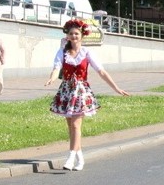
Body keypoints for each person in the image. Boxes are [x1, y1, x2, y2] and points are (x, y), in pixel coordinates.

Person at [45, 19, 130, 171]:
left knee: (76, 125)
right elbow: (56, 67)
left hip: (81, 92)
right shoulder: (62, 52)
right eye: (71, 33)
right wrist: (51, 78)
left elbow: (101, 71)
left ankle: (70, 157)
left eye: (76, 33)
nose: (74, 36)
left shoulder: (87, 52)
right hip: (66, 91)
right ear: (68, 36)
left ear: (82, 35)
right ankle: (80, 158)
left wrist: (116, 88)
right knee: (71, 126)